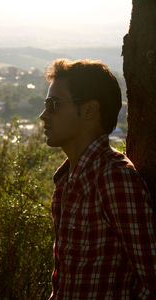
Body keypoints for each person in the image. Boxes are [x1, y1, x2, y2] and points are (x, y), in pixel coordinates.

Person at [39, 59, 156, 299]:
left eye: (53, 105)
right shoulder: (67, 181)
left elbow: (152, 281)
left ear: (90, 110)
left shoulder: (114, 179)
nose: (43, 115)